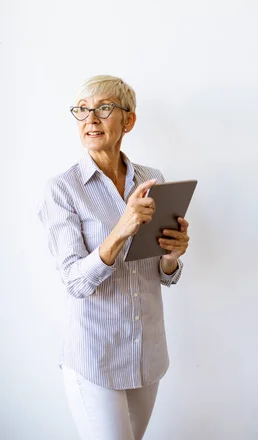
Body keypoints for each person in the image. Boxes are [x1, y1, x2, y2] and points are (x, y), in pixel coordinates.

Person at [37, 74, 190, 440]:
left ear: (128, 120)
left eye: (104, 108)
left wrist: (172, 255)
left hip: (146, 353)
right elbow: (75, 281)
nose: (90, 119)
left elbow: (163, 274)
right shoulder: (62, 189)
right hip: (95, 357)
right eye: (82, 110)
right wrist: (121, 228)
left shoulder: (152, 179)